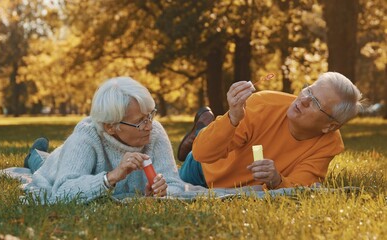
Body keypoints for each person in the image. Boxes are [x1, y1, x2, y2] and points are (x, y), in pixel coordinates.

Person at [178, 72, 363, 189]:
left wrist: (277, 180)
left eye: (315, 103)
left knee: (217, 132)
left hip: (238, 183)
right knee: (200, 146)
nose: (303, 100)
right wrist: (233, 117)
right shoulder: (262, 104)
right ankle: (203, 129)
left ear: (329, 126)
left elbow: (302, 185)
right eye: (308, 90)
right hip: (205, 169)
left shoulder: (329, 144)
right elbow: (203, 153)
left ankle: (204, 126)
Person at [23, 76, 185, 203]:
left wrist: (163, 191)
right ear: (110, 127)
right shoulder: (85, 136)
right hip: (57, 163)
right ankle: (33, 154)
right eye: (140, 121)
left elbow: (175, 184)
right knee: (42, 162)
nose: (149, 126)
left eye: (150, 115)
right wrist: (112, 177)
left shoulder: (154, 131)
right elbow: (63, 191)